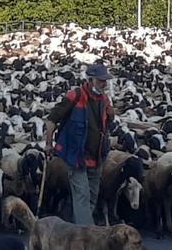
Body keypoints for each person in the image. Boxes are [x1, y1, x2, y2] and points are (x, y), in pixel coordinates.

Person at [44, 62, 115, 226]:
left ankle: (76, 229)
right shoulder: (74, 96)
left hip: (97, 156)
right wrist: (49, 143)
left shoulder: (104, 99)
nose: (104, 84)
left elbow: (104, 125)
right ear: (90, 80)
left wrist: (111, 115)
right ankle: (87, 236)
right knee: (82, 195)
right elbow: (51, 119)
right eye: (101, 80)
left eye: (105, 81)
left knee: (92, 196)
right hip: (76, 156)